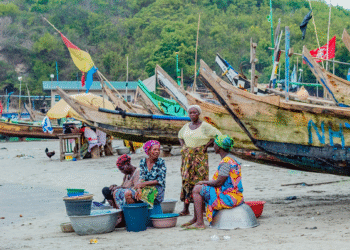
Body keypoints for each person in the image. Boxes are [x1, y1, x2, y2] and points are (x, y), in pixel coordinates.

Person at [181, 134, 244, 229]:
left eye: (214, 144)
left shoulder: (226, 162)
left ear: (219, 147)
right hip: (234, 194)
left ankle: (199, 223)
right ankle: (196, 218)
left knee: (197, 189)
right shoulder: (232, 158)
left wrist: (203, 182)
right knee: (200, 187)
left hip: (228, 197)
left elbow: (219, 182)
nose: (213, 146)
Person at [178, 105, 221, 216]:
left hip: (200, 157)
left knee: (200, 181)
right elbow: (180, 136)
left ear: (199, 114)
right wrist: (183, 147)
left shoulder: (205, 126)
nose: (192, 115)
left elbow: (217, 135)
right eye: (190, 113)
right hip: (187, 158)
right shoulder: (186, 126)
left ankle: (202, 209)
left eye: (195, 112)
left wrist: (207, 146)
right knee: (186, 181)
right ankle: (186, 208)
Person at [125, 140, 166, 207]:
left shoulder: (161, 162)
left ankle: (144, 212)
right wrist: (139, 188)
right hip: (144, 187)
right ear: (148, 151)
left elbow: (159, 180)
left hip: (157, 189)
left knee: (142, 196)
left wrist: (142, 184)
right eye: (154, 149)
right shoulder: (143, 162)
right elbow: (142, 177)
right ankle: (136, 212)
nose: (157, 152)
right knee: (128, 194)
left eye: (158, 150)